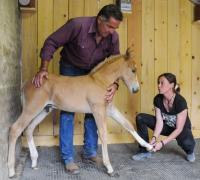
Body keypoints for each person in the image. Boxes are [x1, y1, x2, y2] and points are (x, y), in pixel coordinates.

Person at [32, 4, 123, 175]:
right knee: (67, 111)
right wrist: (43, 68)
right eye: (110, 26)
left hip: (93, 74)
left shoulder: (113, 37)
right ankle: (67, 158)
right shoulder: (77, 25)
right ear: (99, 19)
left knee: (93, 111)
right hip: (70, 68)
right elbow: (51, 42)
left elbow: (116, 64)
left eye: (115, 28)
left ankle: (90, 152)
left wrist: (115, 85)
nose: (112, 31)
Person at [132, 73, 196, 162]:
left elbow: (179, 129)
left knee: (187, 142)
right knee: (140, 118)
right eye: (158, 82)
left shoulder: (180, 102)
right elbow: (159, 121)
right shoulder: (157, 99)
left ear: (172, 85)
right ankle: (144, 151)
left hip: (181, 130)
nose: (158, 85)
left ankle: (190, 151)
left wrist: (162, 143)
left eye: (162, 83)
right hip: (166, 127)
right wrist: (154, 138)